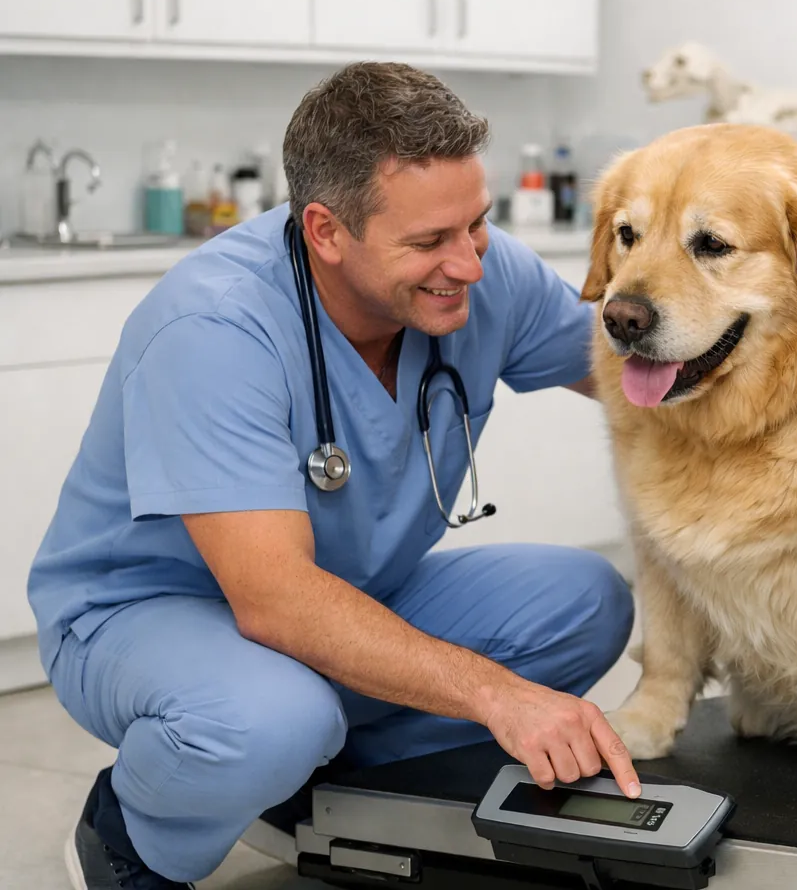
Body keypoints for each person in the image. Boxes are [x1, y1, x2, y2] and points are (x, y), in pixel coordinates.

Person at [27, 62, 640, 889]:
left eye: (477, 226)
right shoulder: (215, 326)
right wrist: (498, 697)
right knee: (270, 719)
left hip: (349, 592)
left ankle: (305, 780)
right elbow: (274, 596)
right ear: (325, 230)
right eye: (429, 242)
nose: (467, 264)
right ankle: (130, 832)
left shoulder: (482, 276)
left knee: (586, 603)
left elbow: (642, 376)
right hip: (147, 613)